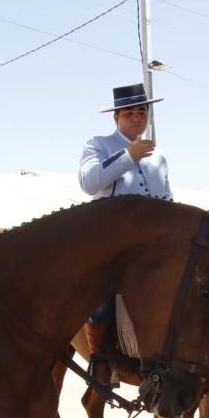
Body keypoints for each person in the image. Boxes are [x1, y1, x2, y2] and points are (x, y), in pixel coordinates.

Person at [77, 83, 171, 360]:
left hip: (152, 244)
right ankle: (101, 359)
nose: (136, 117)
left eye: (142, 112)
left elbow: (166, 199)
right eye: (128, 112)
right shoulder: (98, 144)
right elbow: (89, 183)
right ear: (116, 117)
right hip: (111, 241)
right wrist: (130, 154)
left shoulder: (160, 157)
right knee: (101, 294)